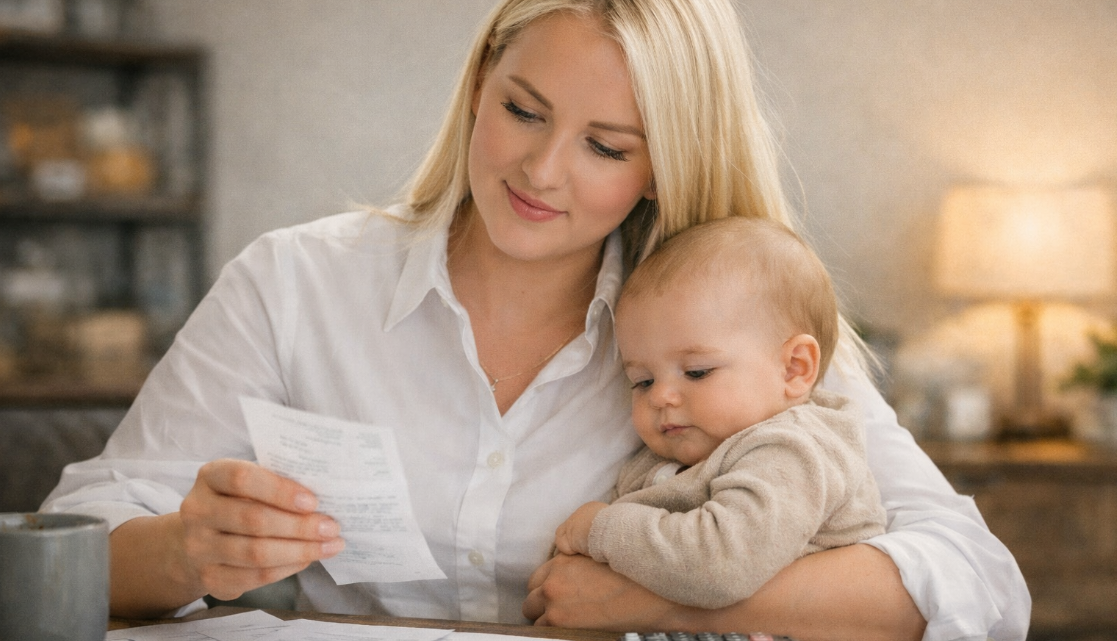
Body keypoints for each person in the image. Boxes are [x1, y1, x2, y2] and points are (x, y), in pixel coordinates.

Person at [41, 1, 1030, 639]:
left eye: (605, 145)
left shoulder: (732, 326)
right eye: (521, 110)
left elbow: (979, 583)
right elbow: (70, 542)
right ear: (478, 87)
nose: (541, 171)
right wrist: (185, 548)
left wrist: (660, 594)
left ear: (662, 166)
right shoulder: (296, 282)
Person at [553, 216, 887, 610]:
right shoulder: (662, 459)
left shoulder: (793, 450)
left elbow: (722, 565)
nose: (660, 396)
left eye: (697, 372)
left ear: (794, 368)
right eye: (642, 381)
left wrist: (599, 529)